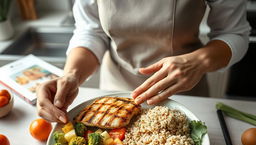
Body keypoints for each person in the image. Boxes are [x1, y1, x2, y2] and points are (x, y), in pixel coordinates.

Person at [36, 0, 251, 123]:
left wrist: (198, 61)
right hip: (114, 91)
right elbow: (91, 31)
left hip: (183, 89)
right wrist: (71, 74)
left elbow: (234, 34)